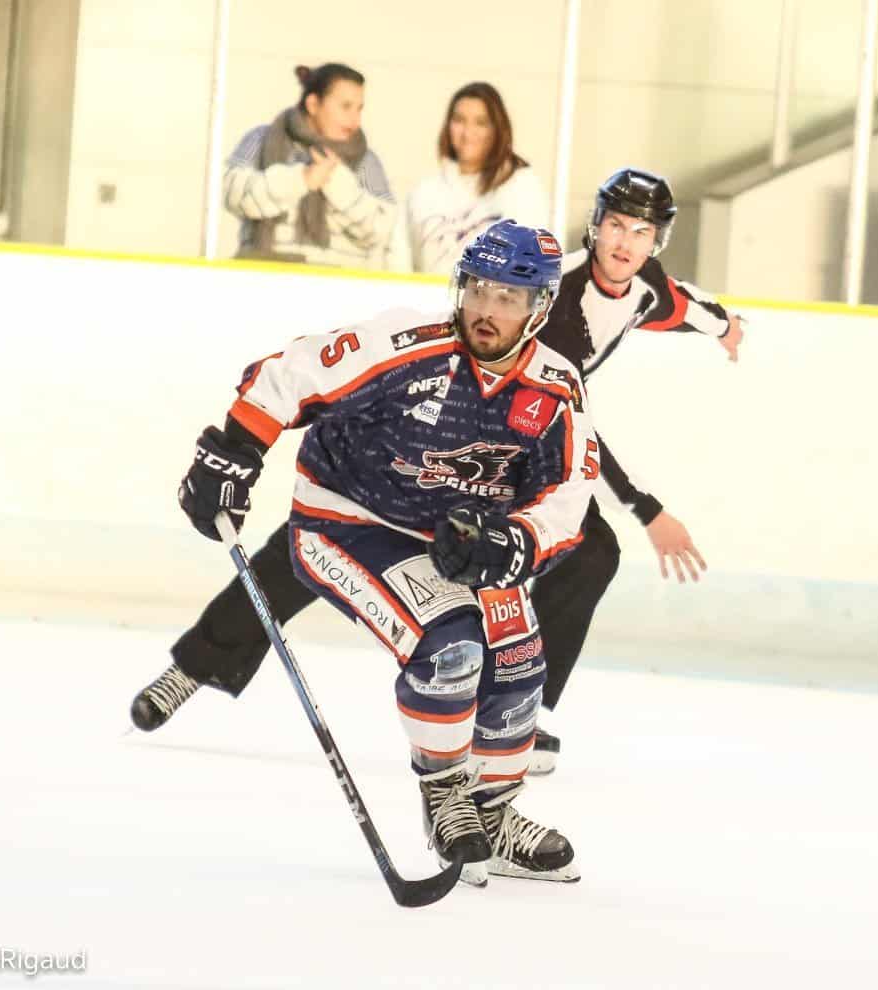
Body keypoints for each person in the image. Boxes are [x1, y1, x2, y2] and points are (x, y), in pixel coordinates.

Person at [132, 168, 745, 776]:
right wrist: (645, 507)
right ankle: (200, 663)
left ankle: (517, 718)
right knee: (318, 544)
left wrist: (724, 326)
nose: (624, 244)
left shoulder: (646, 287)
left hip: (510, 455)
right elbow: (573, 425)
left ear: (657, 242)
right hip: (454, 428)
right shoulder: (555, 301)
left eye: (641, 233)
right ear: (595, 225)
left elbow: (675, 308)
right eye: (614, 226)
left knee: (585, 551)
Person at [174, 219, 593, 882]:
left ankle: (494, 813)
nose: (486, 310)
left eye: (508, 299)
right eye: (478, 290)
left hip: (453, 541)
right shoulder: (405, 344)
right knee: (451, 649)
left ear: (539, 308)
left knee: (517, 655)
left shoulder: (554, 386)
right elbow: (290, 373)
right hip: (343, 521)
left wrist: (517, 541)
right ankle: (445, 795)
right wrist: (234, 449)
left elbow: (568, 494)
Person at [221, 63, 395, 269]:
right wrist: (301, 179)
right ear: (313, 104)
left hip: (338, 290)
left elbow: (382, 230)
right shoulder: (262, 139)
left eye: (359, 109)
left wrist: (337, 185)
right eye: (346, 107)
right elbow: (232, 193)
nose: (355, 119)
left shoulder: (366, 159)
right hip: (266, 281)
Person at [388, 82, 549, 276]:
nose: (467, 132)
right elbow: (398, 260)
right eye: (459, 120)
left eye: (481, 122)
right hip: (429, 305)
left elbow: (530, 264)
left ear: (497, 129)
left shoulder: (522, 186)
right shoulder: (424, 192)